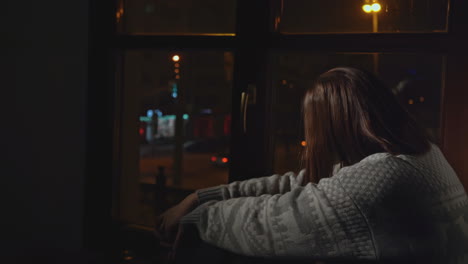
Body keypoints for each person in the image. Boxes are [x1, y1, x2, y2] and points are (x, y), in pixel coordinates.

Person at [155, 67, 468, 264]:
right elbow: (299, 183)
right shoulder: (423, 156)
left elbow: (268, 222)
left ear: (331, 127)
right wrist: (201, 196)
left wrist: (197, 218)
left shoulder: (380, 181)